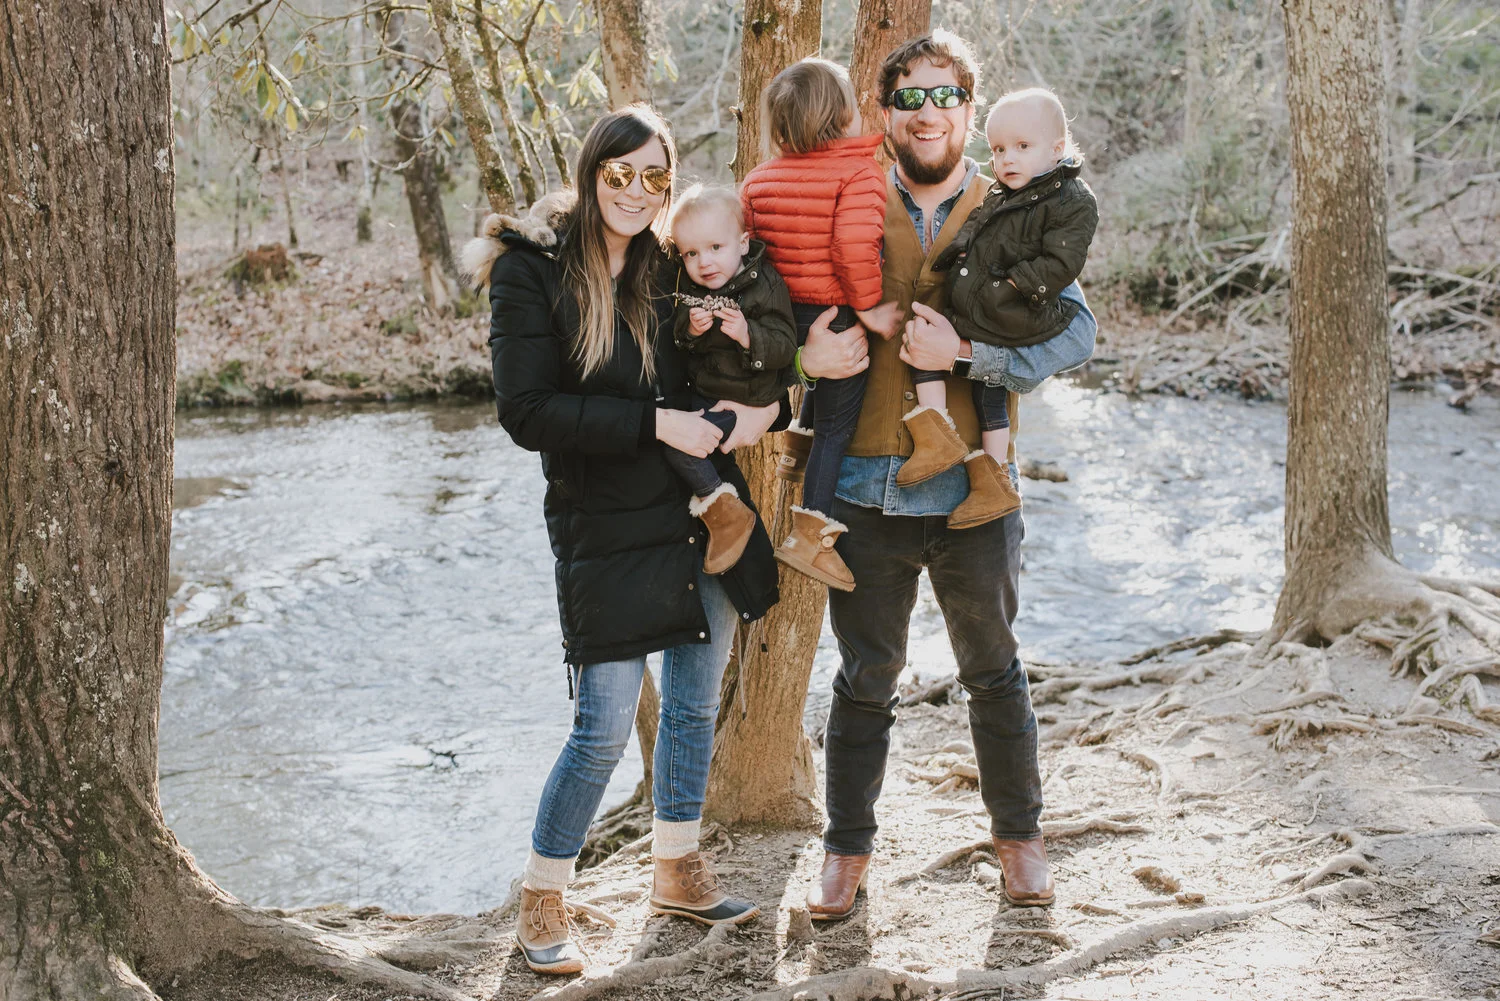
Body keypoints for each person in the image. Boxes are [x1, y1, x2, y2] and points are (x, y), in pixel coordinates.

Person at [793, 31, 1099, 920]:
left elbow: (1078, 334)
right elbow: (782, 317)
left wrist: (967, 350)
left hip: (974, 489)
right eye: (909, 98)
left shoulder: (1016, 199)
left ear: (969, 109)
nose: (927, 113)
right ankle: (844, 854)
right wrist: (807, 360)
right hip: (860, 488)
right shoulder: (847, 197)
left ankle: (1021, 842)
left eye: (944, 97)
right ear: (885, 115)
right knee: (864, 679)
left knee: (995, 670)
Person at [475, 106, 785, 974]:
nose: (638, 192)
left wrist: (775, 406)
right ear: (590, 172)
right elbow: (525, 412)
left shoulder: (674, 265)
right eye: (621, 174)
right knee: (602, 727)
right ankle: (542, 894)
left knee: (693, 705)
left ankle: (678, 868)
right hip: (602, 522)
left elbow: (753, 356)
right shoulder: (529, 271)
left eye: (656, 176)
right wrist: (656, 424)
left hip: (704, 513)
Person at [902, 87, 1099, 528]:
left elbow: (1062, 263)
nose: (1007, 159)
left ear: (1057, 149)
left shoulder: (1068, 200)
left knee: (991, 396)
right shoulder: (1002, 193)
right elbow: (976, 229)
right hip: (980, 306)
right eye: (998, 149)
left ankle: (992, 480)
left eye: (1022, 147)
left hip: (1013, 313)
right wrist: (953, 256)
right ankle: (935, 431)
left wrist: (1012, 284)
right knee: (923, 344)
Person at [740, 57, 900, 592]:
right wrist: (872, 306)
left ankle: (794, 448)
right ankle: (811, 536)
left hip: (784, 318)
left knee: (819, 403)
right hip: (838, 314)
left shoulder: (758, 181)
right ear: (845, 115)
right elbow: (852, 249)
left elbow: (750, 261)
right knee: (839, 427)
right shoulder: (861, 174)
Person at [664, 183, 799, 575]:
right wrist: (689, 330)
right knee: (674, 431)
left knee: (680, 444)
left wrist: (746, 334)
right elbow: (679, 342)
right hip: (707, 394)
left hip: (749, 397)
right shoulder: (692, 288)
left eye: (715, 248)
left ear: (742, 243)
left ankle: (725, 513)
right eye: (691, 253)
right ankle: (723, 511)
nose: (703, 262)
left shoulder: (765, 285)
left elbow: (785, 347)